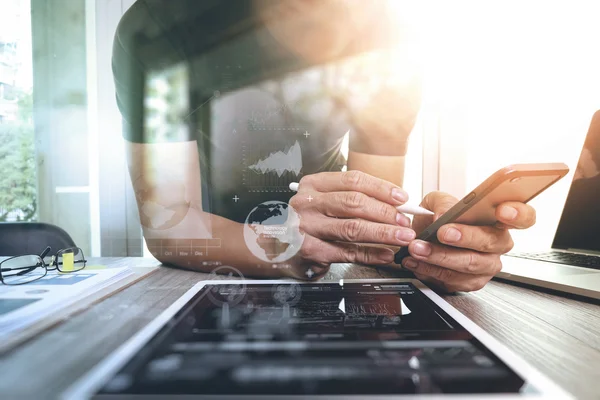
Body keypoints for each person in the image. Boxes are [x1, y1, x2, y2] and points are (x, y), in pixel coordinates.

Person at [112, 0, 536, 292]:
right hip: (204, 271)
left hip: (326, 269)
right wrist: (285, 245)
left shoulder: (392, 39)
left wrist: (431, 247)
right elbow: (171, 226)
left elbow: (369, 229)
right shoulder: (161, 25)